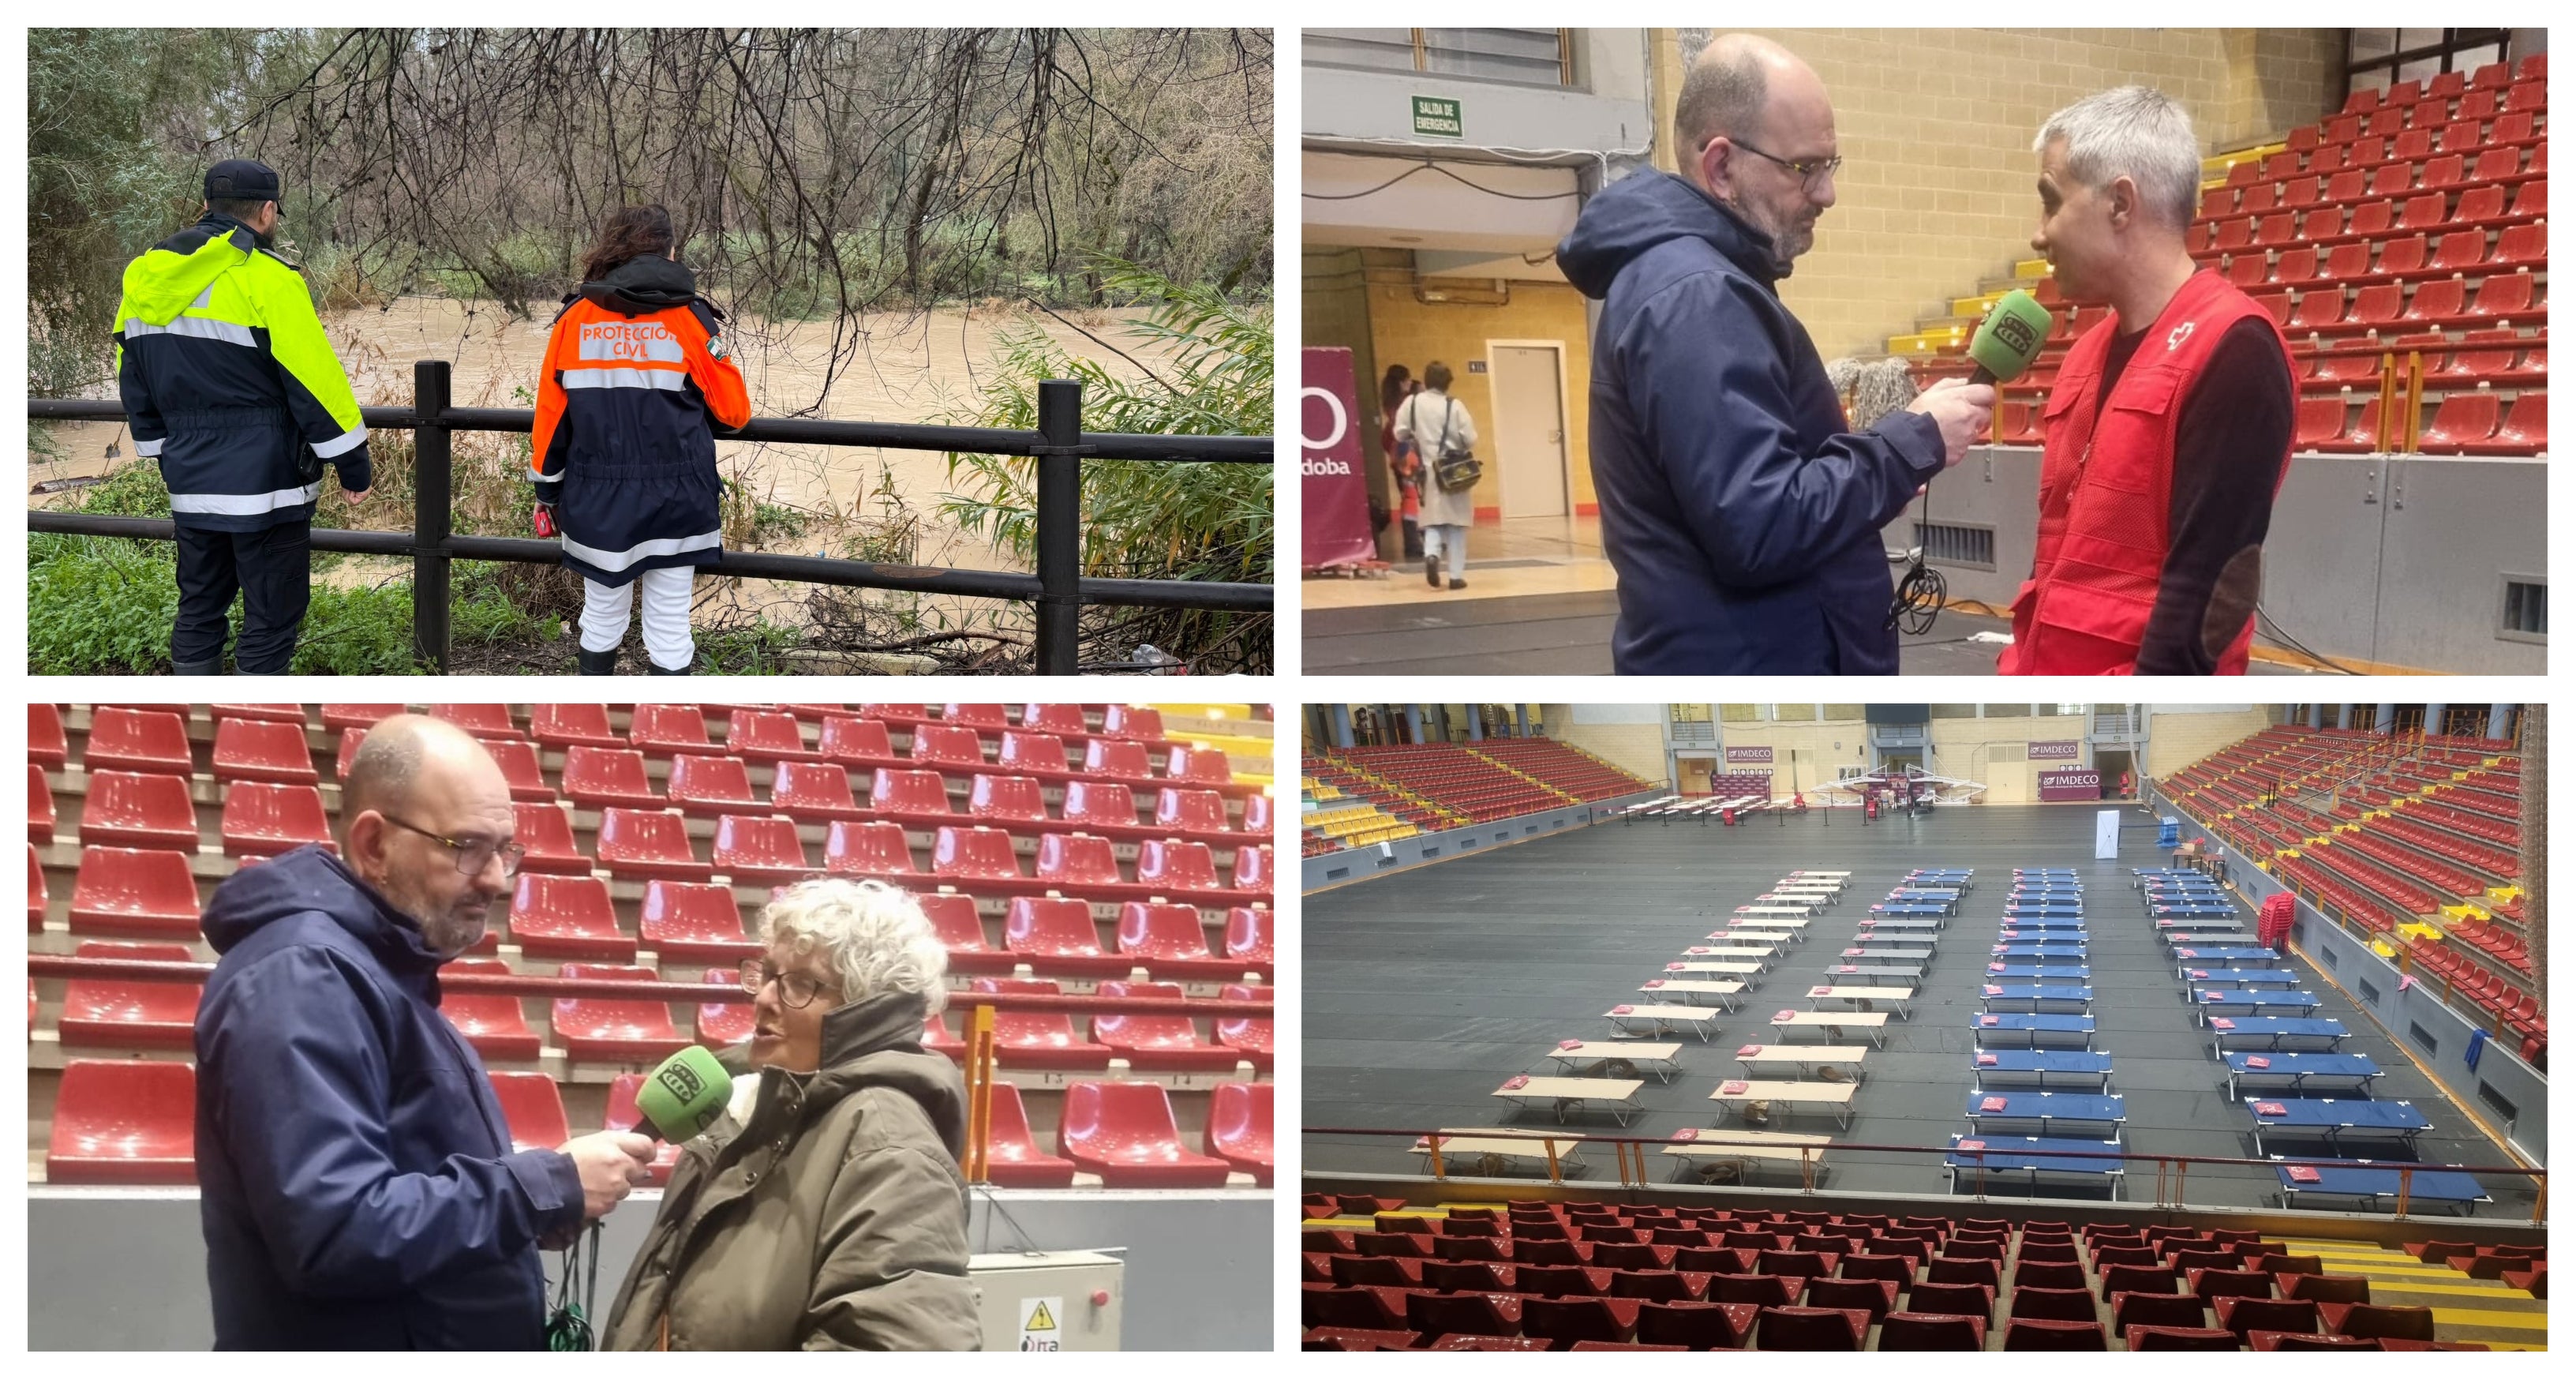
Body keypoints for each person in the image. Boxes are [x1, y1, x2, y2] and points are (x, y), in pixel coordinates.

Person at [194, 714, 655, 1348]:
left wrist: (533, 1210)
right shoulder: (303, 978)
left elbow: (408, 1184)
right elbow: (335, 1232)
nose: (496, 878)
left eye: (505, 850)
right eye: (467, 846)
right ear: (375, 845)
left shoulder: (375, 972)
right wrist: (539, 1187)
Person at [1559, 35, 1994, 673]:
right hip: (1752, 661)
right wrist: (1910, 442)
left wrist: (1878, 476)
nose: (1826, 193)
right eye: (1804, 168)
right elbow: (1759, 528)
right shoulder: (1697, 296)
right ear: (1722, 168)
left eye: (1831, 166)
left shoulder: (1700, 283)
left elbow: (1761, 492)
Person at [604, 877, 981, 1350]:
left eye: (800, 984)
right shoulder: (748, 1109)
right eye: (766, 975)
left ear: (864, 1009)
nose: (763, 999)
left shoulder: (889, 1149)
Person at [1998, 87, 2297, 676]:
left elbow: (2206, 596)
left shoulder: (2235, 350)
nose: (2039, 234)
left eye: (2051, 203)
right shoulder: (2085, 353)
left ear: (2120, 203)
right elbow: (2056, 559)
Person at [113, 158, 373, 675]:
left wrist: (163, 452)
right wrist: (352, 461)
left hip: (190, 478)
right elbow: (313, 380)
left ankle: (196, 720)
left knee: (199, 612)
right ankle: (249, 723)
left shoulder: (142, 277)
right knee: (272, 620)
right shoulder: (268, 278)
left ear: (206, 207)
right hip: (267, 483)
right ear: (268, 212)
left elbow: (131, 373)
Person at [534, 204, 752, 675]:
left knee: (601, 615)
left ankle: (593, 717)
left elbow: (551, 420)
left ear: (611, 249)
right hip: (679, 494)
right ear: (671, 252)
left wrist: (547, 490)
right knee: (670, 625)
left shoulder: (574, 320)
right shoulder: (692, 318)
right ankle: (668, 724)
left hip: (597, 496)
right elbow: (734, 414)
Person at [1393, 361, 1478, 591]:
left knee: (1432, 519)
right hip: (1453, 470)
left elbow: (1399, 433)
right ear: (1448, 382)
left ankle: (1431, 554)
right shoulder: (1455, 405)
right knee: (1457, 524)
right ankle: (1456, 576)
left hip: (1427, 471)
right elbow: (1470, 438)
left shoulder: (1412, 403)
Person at [1379, 365, 1425, 560]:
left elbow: (1388, 438)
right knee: (1412, 500)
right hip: (1409, 457)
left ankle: (1415, 540)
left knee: (1409, 499)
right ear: (1402, 382)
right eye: (1407, 380)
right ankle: (1414, 543)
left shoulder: (1391, 404)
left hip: (1398, 458)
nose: (1409, 383)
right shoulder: (1406, 404)